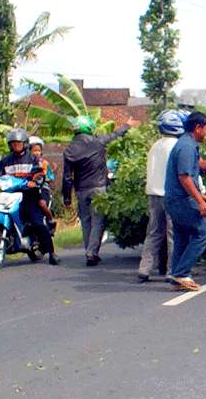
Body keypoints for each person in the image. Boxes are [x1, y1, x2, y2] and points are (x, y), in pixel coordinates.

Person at [164, 112, 206, 291]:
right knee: (203, 233)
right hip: (181, 200)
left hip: (173, 199)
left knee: (182, 238)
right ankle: (182, 272)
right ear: (198, 128)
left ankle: (177, 276)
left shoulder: (188, 143)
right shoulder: (186, 146)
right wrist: (200, 201)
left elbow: (201, 166)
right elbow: (185, 177)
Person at [63, 115, 140, 266]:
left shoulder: (69, 150)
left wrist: (66, 197)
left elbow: (66, 177)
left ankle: (89, 251)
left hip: (81, 190)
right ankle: (92, 252)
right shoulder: (97, 142)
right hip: (99, 188)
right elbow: (114, 135)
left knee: (86, 222)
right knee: (98, 220)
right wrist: (127, 125)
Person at [137, 110, 187, 283]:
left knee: (153, 232)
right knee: (174, 234)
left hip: (153, 194)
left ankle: (144, 268)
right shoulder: (178, 146)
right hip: (171, 195)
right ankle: (172, 271)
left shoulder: (155, 146)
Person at [0, 129, 59, 265]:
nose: (16, 146)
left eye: (18, 143)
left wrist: (34, 181)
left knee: (37, 222)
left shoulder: (33, 159)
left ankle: (52, 252)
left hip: (30, 196)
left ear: (24, 143)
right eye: (13, 144)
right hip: (11, 195)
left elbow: (39, 173)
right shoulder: (5, 161)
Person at [27, 136, 56, 234]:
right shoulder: (26, 163)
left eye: (38, 150)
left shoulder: (44, 163)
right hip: (28, 189)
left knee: (42, 204)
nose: (36, 152)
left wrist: (46, 178)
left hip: (42, 188)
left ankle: (50, 220)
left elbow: (51, 176)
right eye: (34, 150)